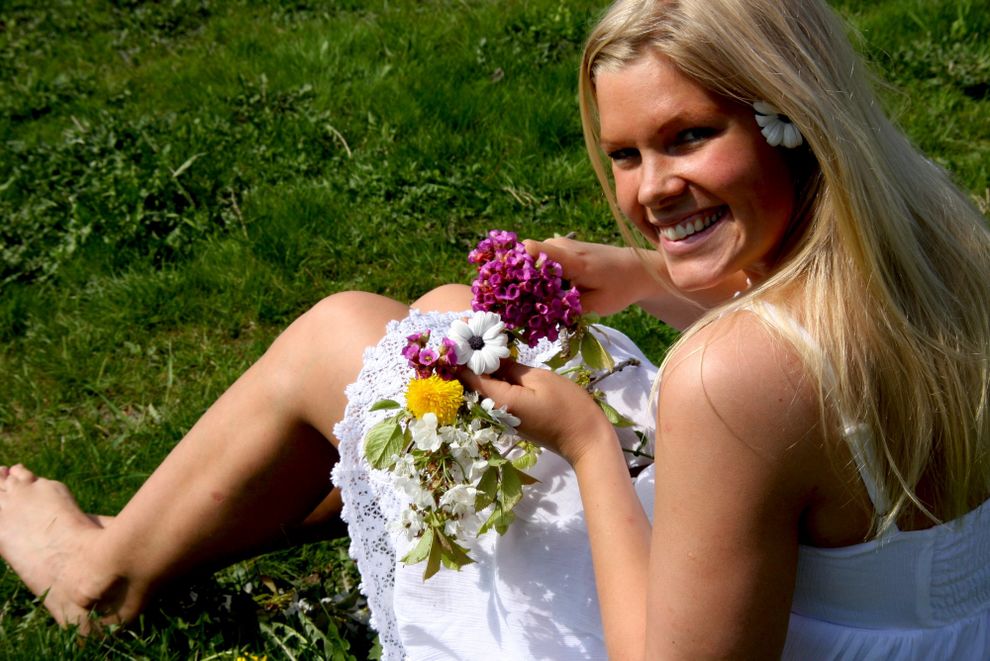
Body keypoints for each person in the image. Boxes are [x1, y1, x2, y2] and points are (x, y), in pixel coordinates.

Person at [2, 0, 989, 658]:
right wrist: (645, 278)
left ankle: (99, 576)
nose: (649, 189)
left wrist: (588, 445)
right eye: (627, 154)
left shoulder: (736, 377)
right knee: (442, 320)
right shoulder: (935, 234)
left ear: (790, 119)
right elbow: (818, 384)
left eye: (690, 136)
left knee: (346, 333)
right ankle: (244, 508)